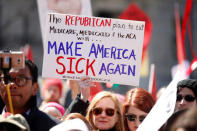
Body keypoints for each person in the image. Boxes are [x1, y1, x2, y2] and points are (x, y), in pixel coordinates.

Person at [0, 59, 59, 131]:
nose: (12, 85)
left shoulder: (54, 127)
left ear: (34, 88)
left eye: (21, 80)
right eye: (7, 79)